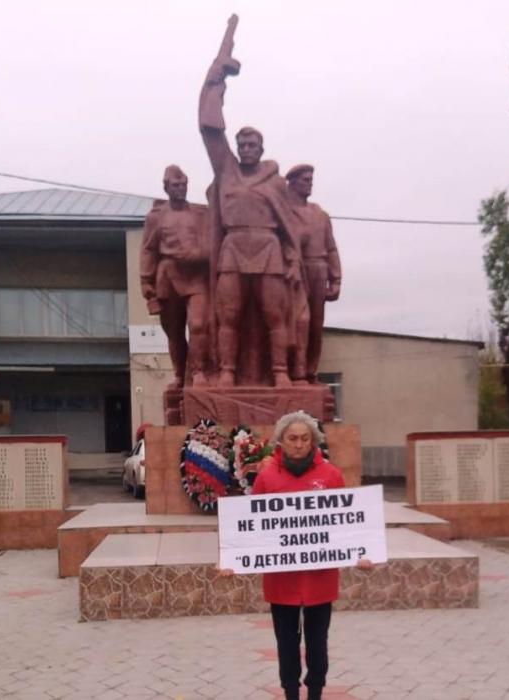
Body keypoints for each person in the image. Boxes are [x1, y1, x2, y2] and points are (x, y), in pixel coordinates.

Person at [199, 28, 302, 388]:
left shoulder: (276, 183)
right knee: (229, 314)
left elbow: (289, 226)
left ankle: (280, 373)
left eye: (251, 142)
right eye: (241, 142)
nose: (245, 147)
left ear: (261, 147)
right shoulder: (226, 169)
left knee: (275, 314)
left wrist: (291, 258)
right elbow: (209, 128)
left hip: (269, 249)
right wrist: (216, 79)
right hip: (233, 249)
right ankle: (227, 371)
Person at [250, 411, 371, 700]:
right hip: (281, 581)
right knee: (286, 644)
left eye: (305, 438)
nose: (299, 444)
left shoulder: (331, 475)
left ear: (314, 441)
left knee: (318, 643)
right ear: (281, 441)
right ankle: (290, 692)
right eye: (292, 438)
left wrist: (361, 553)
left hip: (320, 580)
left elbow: (345, 524)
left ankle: (315, 691)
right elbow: (251, 526)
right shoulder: (266, 478)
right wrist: (231, 559)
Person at [139, 165, 210, 387]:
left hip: (196, 276)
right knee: (174, 331)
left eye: (183, 185)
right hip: (168, 276)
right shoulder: (156, 217)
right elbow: (149, 249)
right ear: (166, 188)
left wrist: (201, 254)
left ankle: (198, 371)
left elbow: (213, 242)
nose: (180, 189)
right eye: (175, 185)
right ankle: (180, 373)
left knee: (198, 325)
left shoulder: (201, 213)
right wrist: (146, 281)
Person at [285, 165, 342, 383]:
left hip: (318, 269)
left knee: (315, 326)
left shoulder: (320, 214)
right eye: (304, 180)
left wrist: (336, 279)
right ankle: (293, 371)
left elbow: (331, 248)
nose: (309, 183)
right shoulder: (284, 212)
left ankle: (309, 372)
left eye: (311, 180)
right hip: (294, 270)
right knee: (297, 322)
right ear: (292, 182)